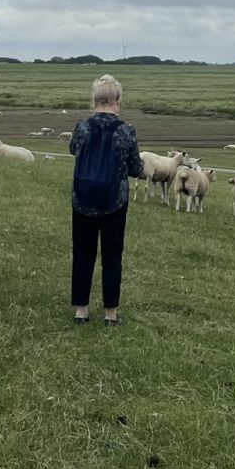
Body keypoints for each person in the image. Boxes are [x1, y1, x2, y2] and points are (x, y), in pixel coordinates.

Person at [68, 74, 145, 326]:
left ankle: (81, 310)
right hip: (114, 201)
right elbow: (135, 168)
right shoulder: (126, 131)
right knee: (112, 254)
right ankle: (110, 313)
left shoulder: (82, 127)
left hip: (82, 199)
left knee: (82, 252)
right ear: (118, 100)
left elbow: (73, 150)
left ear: (95, 99)